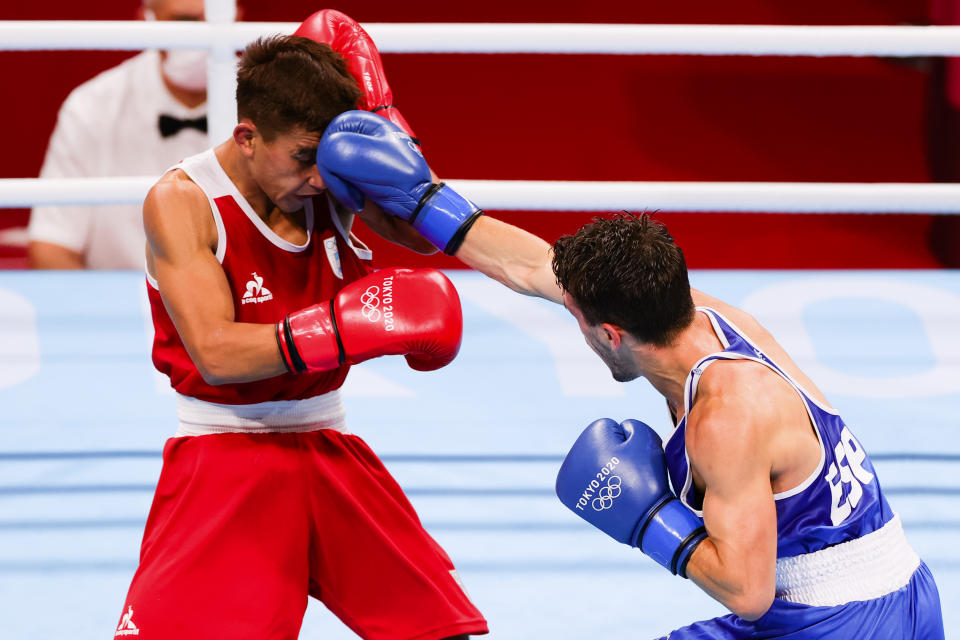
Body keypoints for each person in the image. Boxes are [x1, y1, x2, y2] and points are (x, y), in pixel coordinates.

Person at [313, 110, 946, 638]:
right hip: (904, 588)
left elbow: (746, 591)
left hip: (835, 621)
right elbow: (537, 269)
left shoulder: (724, 419)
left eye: (579, 321)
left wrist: (650, 520)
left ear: (609, 334)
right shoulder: (706, 315)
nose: (576, 325)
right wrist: (426, 202)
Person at [120, 34, 487, 639]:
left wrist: (395, 145)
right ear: (247, 137)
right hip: (225, 451)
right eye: (304, 157)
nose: (320, 177)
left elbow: (428, 236)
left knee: (440, 632)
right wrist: (342, 329)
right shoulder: (183, 201)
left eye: (331, 159)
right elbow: (214, 353)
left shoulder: (332, 177)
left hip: (329, 444)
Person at [28, 0, 215, 270]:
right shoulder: (92, 106)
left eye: (211, 20)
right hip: (115, 304)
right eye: (184, 21)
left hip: (240, 305)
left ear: (237, 19)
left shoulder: (271, 104)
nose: (200, 32)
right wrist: (94, 310)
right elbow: (52, 246)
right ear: (146, 21)